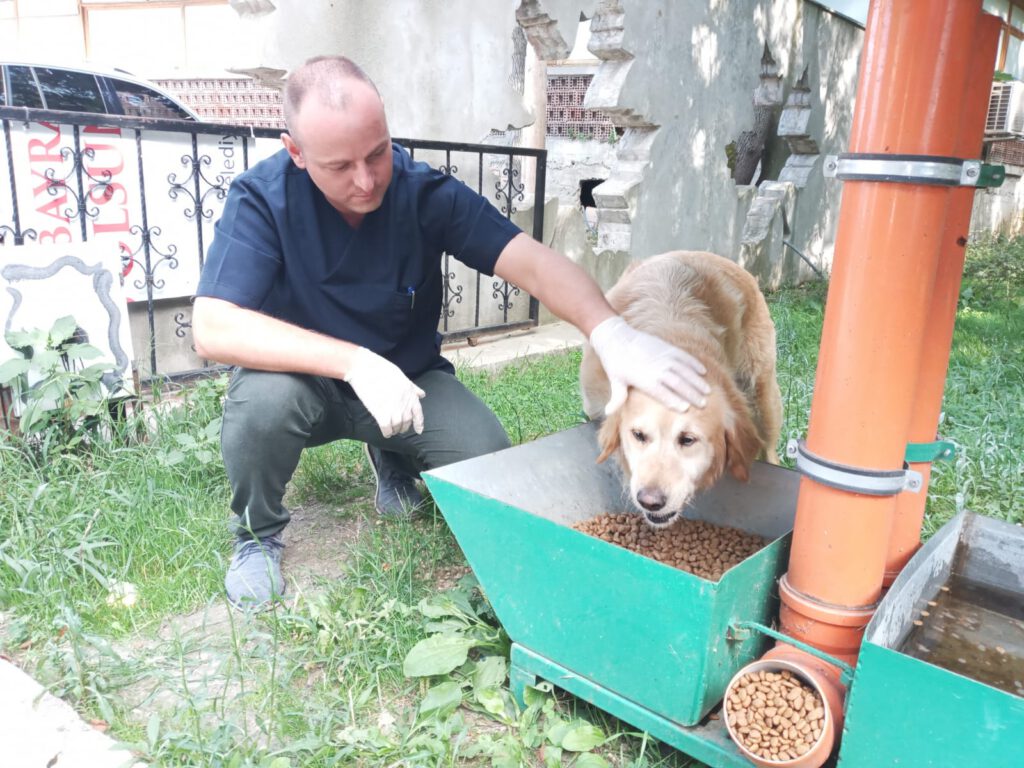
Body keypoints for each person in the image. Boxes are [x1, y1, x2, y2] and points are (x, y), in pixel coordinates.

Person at [192, 55, 710, 609]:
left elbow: (532, 262)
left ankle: (390, 456)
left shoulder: (422, 193)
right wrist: (355, 363)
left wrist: (610, 332)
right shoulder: (261, 199)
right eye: (339, 166)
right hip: (305, 385)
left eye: (376, 153)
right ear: (295, 152)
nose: (366, 180)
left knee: (487, 456)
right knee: (259, 405)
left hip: (407, 386)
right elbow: (213, 326)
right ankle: (257, 536)